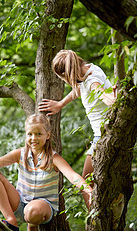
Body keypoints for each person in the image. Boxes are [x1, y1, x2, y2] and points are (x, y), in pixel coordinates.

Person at [0, 114, 92, 231]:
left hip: (42, 208)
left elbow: (73, 176)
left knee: (32, 210)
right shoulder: (21, 154)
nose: (33, 138)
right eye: (30, 134)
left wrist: (89, 191)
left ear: (47, 135)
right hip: (21, 202)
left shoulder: (53, 158)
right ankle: (11, 221)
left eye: (38, 134)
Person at [38, 50, 117, 180]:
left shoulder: (92, 82)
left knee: (85, 181)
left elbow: (101, 93)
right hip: (106, 131)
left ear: (66, 74)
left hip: (104, 134)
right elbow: (80, 89)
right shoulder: (89, 70)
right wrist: (60, 104)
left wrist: (112, 97)